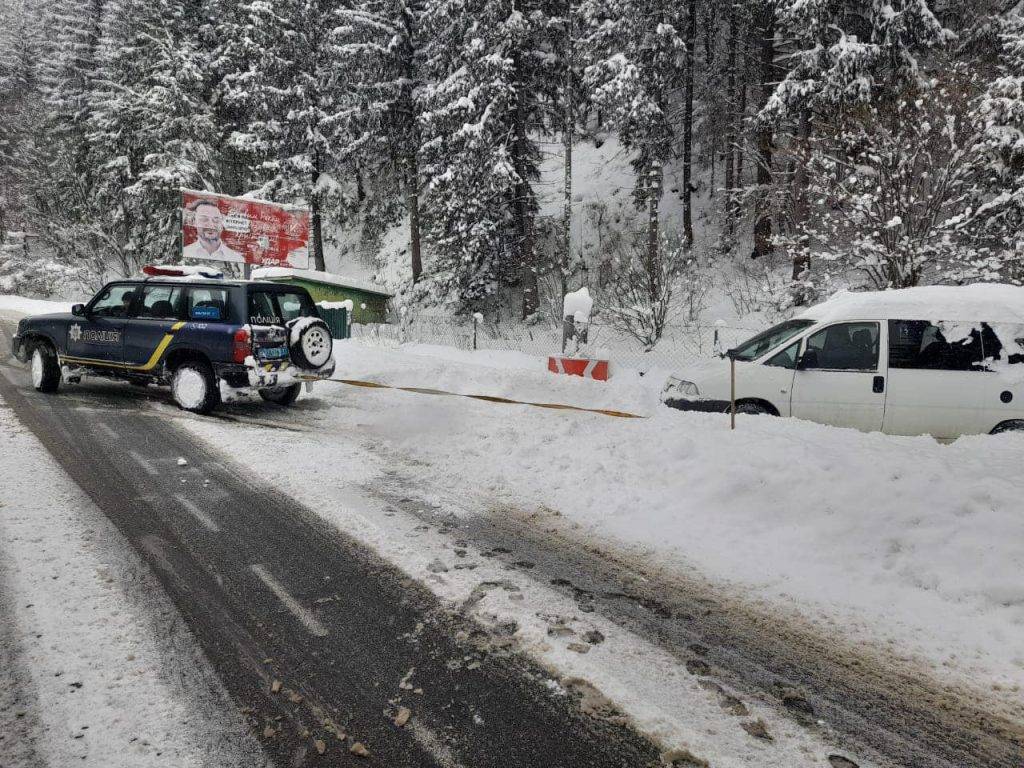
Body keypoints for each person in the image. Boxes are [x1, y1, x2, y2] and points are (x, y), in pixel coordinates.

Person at [182, 198, 245, 263]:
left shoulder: (237, 258)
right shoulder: (186, 252)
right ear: (194, 222)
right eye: (204, 219)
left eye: (216, 220)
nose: (211, 225)